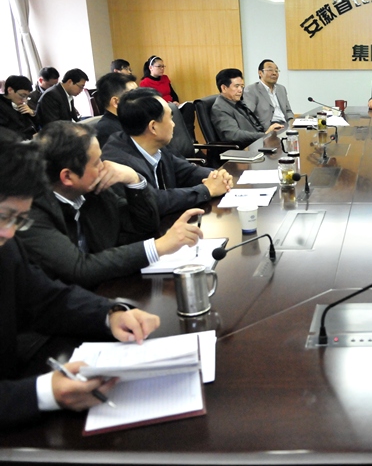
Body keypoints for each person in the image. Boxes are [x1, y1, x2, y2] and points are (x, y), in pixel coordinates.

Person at [0, 128, 161, 428]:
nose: (9, 232)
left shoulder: (6, 247)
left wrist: (110, 315)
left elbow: (49, 299)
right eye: (4, 216)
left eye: (17, 220)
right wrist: (44, 392)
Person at [19, 121, 204, 288]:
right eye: (96, 162)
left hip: (105, 290)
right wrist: (159, 247)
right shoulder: (29, 211)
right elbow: (79, 268)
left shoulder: (93, 188)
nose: (105, 165)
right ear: (67, 176)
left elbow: (143, 227)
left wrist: (134, 180)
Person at [102, 88, 232, 216]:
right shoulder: (120, 161)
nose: (174, 124)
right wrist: (206, 190)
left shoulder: (156, 146)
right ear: (153, 127)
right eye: (170, 118)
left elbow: (186, 172)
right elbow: (155, 201)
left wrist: (217, 176)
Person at [211, 68, 272, 147]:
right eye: (236, 86)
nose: (240, 90)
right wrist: (264, 135)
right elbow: (234, 135)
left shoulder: (238, 102)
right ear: (224, 88)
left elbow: (254, 124)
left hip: (256, 144)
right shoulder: (219, 108)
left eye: (242, 86)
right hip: (244, 149)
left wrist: (269, 131)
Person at [242, 59, 294, 131]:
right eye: (270, 70)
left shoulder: (281, 89)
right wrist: (260, 130)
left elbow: (288, 111)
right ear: (260, 73)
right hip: (267, 128)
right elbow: (249, 115)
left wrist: (292, 123)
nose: (274, 73)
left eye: (276, 70)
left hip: (285, 126)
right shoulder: (251, 89)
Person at [95, 72, 138, 146]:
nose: (141, 98)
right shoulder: (107, 130)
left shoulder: (129, 120)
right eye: (134, 95)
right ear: (116, 102)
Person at [0, 75, 37, 140]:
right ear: (10, 90)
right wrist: (30, 137)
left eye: (27, 97)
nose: (24, 100)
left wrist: (32, 113)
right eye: (22, 95)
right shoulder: (2, 107)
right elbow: (5, 134)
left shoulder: (20, 104)